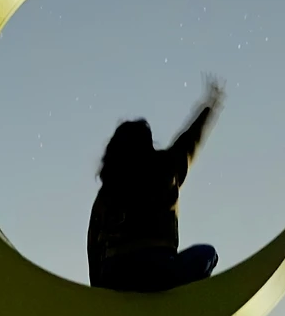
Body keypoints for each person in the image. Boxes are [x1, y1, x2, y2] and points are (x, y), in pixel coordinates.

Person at [88, 78, 224, 291]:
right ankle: (176, 302)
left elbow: (93, 245)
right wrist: (210, 106)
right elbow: (190, 139)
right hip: (159, 270)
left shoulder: (107, 192)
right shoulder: (165, 167)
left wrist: (98, 292)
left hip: (114, 274)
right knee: (207, 254)